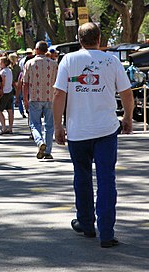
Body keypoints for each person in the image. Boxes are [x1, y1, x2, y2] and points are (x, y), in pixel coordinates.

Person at [53, 22, 134, 248]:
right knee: (107, 179)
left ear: (79, 39)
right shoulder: (112, 61)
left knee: (82, 176)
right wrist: (128, 117)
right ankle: (106, 232)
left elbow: (59, 94)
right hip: (106, 130)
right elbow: (127, 93)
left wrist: (58, 126)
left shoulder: (68, 60)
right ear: (100, 38)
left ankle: (87, 223)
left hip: (78, 131)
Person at [22, 41, 58, 160]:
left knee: (34, 124)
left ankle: (39, 141)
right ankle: (48, 151)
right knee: (49, 125)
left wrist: (25, 99)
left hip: (35, 97)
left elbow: (25, 83)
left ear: (36, 50)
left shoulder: (30, 63)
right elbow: (58, 83)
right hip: (50, 97)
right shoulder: (53, 64)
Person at [0, 56, 14, 134]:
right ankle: (10, 127)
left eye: (0, 62)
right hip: (10, 91)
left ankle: (3, 127)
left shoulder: (3, 72)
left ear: (4, 63)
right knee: (10, 110)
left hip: (4, 92)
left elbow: (2, 83)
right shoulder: (10, 70)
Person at [8, 52, 26, 118]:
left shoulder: (15, 67)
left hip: (14, 84)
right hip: (14, 84)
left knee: (15, 99)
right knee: (15, 99)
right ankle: (20, 112)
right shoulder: (14, 67)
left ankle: (20, 112)